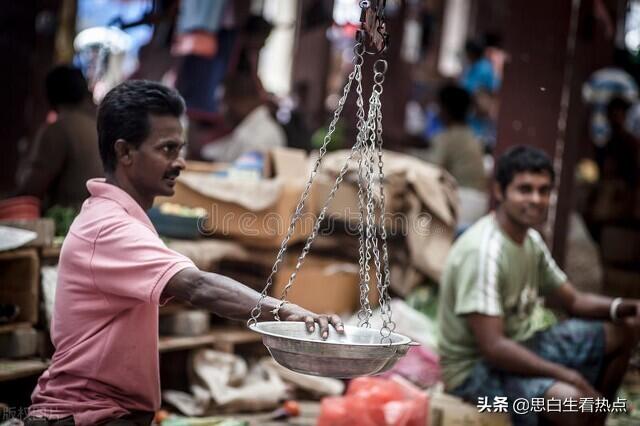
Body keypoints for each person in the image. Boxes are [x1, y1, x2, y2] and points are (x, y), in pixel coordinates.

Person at [26, 80, 343, 426]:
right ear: (125, 152)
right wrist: (283, 311)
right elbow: (197, 286)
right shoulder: (110, 228)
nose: (180, 163)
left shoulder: (122, 218)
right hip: (87, 415)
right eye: (166, 149)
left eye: (180, 149)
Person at [437, 145, 640, 426]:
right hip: (476, 372)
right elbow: (493, 347)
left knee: (624, 329)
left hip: (524, 343)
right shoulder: (484, 252)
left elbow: (574, 301)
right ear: (499, 192)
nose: (536, 199)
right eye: (525, 189)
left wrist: (626, 306)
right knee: (574, 403)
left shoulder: (530, 240)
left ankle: (596, 418)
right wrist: (566, 374)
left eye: (544, 190)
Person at [16, 65, 103, 211]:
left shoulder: (59, 129)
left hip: (67, 225)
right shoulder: (100, 127)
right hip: (99, 220)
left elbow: (30, 190)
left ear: (49, 96)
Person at [427, 84, 487, 229]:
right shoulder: (470, 135)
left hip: (462, 203)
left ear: (445, 109)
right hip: (479, 204)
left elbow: (431, 168)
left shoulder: (447, 137)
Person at [200, 73, 286, 162]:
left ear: (239, 101)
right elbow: (220, 151)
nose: (219, 110)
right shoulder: (250, 128)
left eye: (222, 102)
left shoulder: (257, 135)